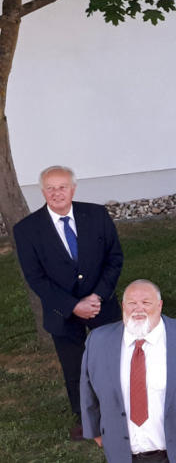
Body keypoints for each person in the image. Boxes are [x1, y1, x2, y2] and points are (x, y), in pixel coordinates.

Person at [13, 165, 123, 441]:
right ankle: (86, 417)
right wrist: (73, 306)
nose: (56, 193)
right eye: (50, 188)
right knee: (74, 368)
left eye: (62, 187)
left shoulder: (96, 215)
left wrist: (98, 296)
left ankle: (121, 409)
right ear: (42, 192)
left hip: (101, 305)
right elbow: (35, 278)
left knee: (112, 360)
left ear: (73, 189)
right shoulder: (26, 229)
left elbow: (114, 259)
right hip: (62, 312)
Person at [80, 279, 176, 463]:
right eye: (132, 303)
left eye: (146, 302)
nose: (138, 309)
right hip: (124, 454)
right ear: (123, 306)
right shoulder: (98, 340)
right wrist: (93, 430)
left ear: (160, 305)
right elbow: (87, 389)